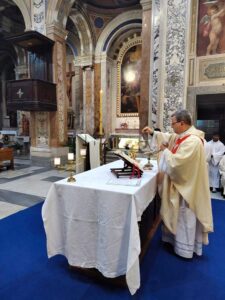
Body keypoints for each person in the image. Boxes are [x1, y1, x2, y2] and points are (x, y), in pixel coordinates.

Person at [142, 109, 213, 259]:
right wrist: (153, 133)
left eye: (173, 123)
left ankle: (185, 249)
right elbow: (168, 137)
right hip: (180, 184)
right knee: (177, 214)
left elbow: (178, 164)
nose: (171, 126)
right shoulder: (182, 136)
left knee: (184, 216)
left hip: (187, 188)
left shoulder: (193, 141)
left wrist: (165, 151)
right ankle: (173, 240)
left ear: (182, 123)